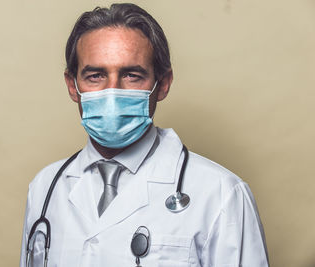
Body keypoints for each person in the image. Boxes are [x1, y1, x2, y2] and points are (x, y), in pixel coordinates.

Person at [20, 3, 269, 267]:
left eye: (131, 75)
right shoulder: (45, 188)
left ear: (162, 84)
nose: (112, 92)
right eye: (95, 76)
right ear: (73, 86)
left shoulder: (221, 194)